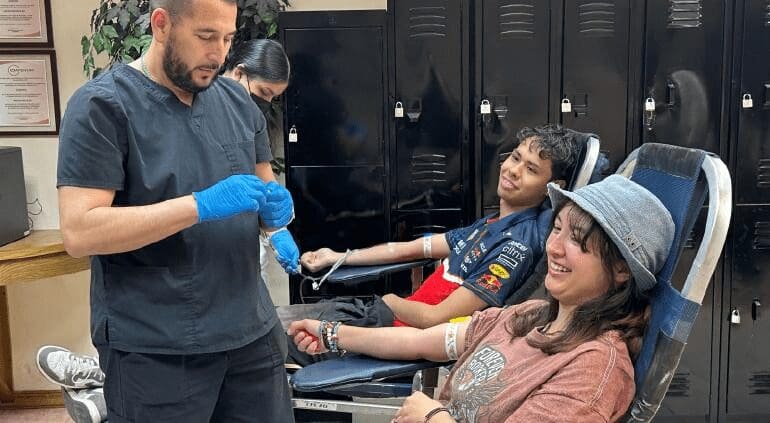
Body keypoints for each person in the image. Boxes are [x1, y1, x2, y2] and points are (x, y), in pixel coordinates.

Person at [54, 0, 294, 421]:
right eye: (205, 37)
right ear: (161, 25)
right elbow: (80, 232)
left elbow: (262, 188)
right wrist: (199, 205)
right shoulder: (102, 106)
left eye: (227, 38)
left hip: (249, 333)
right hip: (156, 346)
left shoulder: (238, 105)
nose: (218, 54)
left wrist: (277, 219)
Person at [288, 175, 675, 422]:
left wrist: (432, 416)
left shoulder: (594, 369)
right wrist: (333, 334)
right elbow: (424, 341)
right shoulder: (529, 315)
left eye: (578, 241)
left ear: (621, 270)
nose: (555, 248)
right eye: (557, 229)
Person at [279, 124, 582, 365]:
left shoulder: (514, 248)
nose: (513, 170)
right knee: (279, 329)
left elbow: (435, 318)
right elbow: (409, 249)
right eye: (516, 157)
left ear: (553, 187)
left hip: (396, 331)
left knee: (273, 346)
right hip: (387, 317)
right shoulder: (490, 225)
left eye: (531, 169)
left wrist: (389, 299)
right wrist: (341, 257)